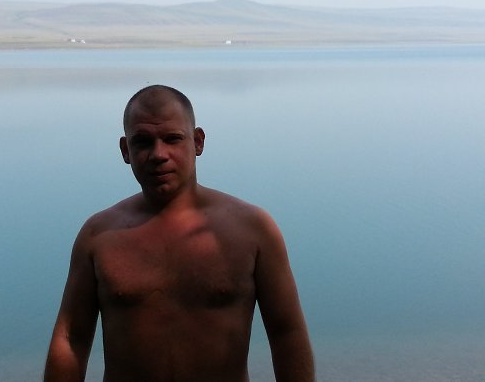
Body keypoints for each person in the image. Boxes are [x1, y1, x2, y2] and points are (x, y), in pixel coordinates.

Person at [44, 85, 314, 382]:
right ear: (125, 150)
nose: (158, 154)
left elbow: (286, 333)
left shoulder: (253, 230)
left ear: (197, 142)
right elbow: (71, 339)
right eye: (143, 142)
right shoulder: (99, 236)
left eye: (172, 139)